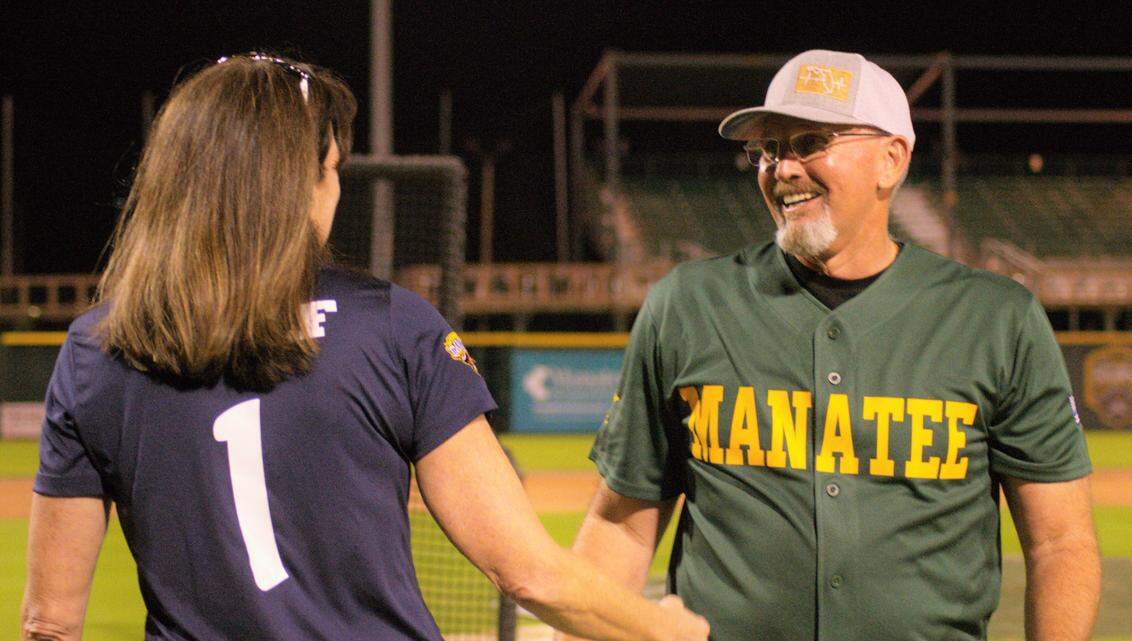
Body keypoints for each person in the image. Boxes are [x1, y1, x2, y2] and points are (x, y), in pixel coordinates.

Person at [21, 53, 709, 641]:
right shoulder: (394, 327)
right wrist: (668, 626)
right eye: (332, 167)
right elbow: (525, 569)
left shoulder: (98, 348)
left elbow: (49, 621)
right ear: (300, 182)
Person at [565, 50, 1100, 641]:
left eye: (810, 141)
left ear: (891, 160)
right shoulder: (687, 305)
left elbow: (1060, 543)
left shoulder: (998, 318)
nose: (782, 168)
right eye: (768, 149)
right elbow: (620, 528)